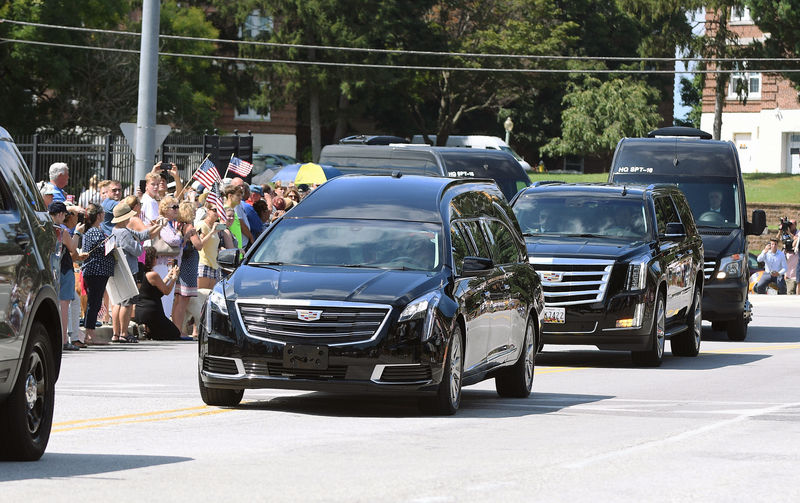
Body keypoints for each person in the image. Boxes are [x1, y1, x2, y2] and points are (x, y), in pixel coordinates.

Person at [110, 201, 164, 343]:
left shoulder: (117, 230)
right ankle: (123, 333)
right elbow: (138, 249)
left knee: (118, 302)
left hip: (120, 270)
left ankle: (116, 334)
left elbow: (143, 235)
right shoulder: (124, 233)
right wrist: (141, 246)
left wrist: (158, 225)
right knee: (127, 303)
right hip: (127, 270)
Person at [172, 201, 214, 340]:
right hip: (188, 265)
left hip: (182, 263)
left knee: (179, 300)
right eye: (193, 211)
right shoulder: (189, 227)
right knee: (183, 300)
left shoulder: (179, 225)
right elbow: (199, 245)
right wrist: (201, 235)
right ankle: (178, 331)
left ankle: (176, 329)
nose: (195, 213)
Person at [50, 201, 85, 351]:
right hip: (64, 269)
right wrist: (77, 233)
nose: (65, 217)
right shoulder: (62, 230)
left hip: (51, 269)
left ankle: (56, 338)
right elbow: (72, 248)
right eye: (64, 214)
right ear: (59, 214)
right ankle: (64, 340)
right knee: (64, 306)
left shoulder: (44, 227)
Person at [80, 203, 114, 345]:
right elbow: (104, 247)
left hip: (97, 271)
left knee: (94, 303)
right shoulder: (94, 232)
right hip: (96, 271)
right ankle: (90, 334)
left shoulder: (94, 230)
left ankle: (90, 333)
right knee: (94, 303)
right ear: (99, 215)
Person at [135, 247, 181, 340]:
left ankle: (146, 330)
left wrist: (168, 276)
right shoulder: (153, 275)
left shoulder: (142, 274)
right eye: (156, 257)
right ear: (151, 259)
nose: (157, 259)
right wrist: (174, 278)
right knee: (175, 333)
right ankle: (147, 330)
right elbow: (166, 291)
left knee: (157, 334)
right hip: (152, 312)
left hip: (141, 310)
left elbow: (158, 288)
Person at [197, 203, 233, 290]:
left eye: (220, 210)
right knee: (201, 295)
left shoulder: (215, 226)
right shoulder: (202, 224)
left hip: (214, 265)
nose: (217, 213)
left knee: (209, 295)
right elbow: (199, 244)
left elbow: (226, 227)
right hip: (204, 263)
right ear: (208, 211)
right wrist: (212, 232)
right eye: (214, 210)